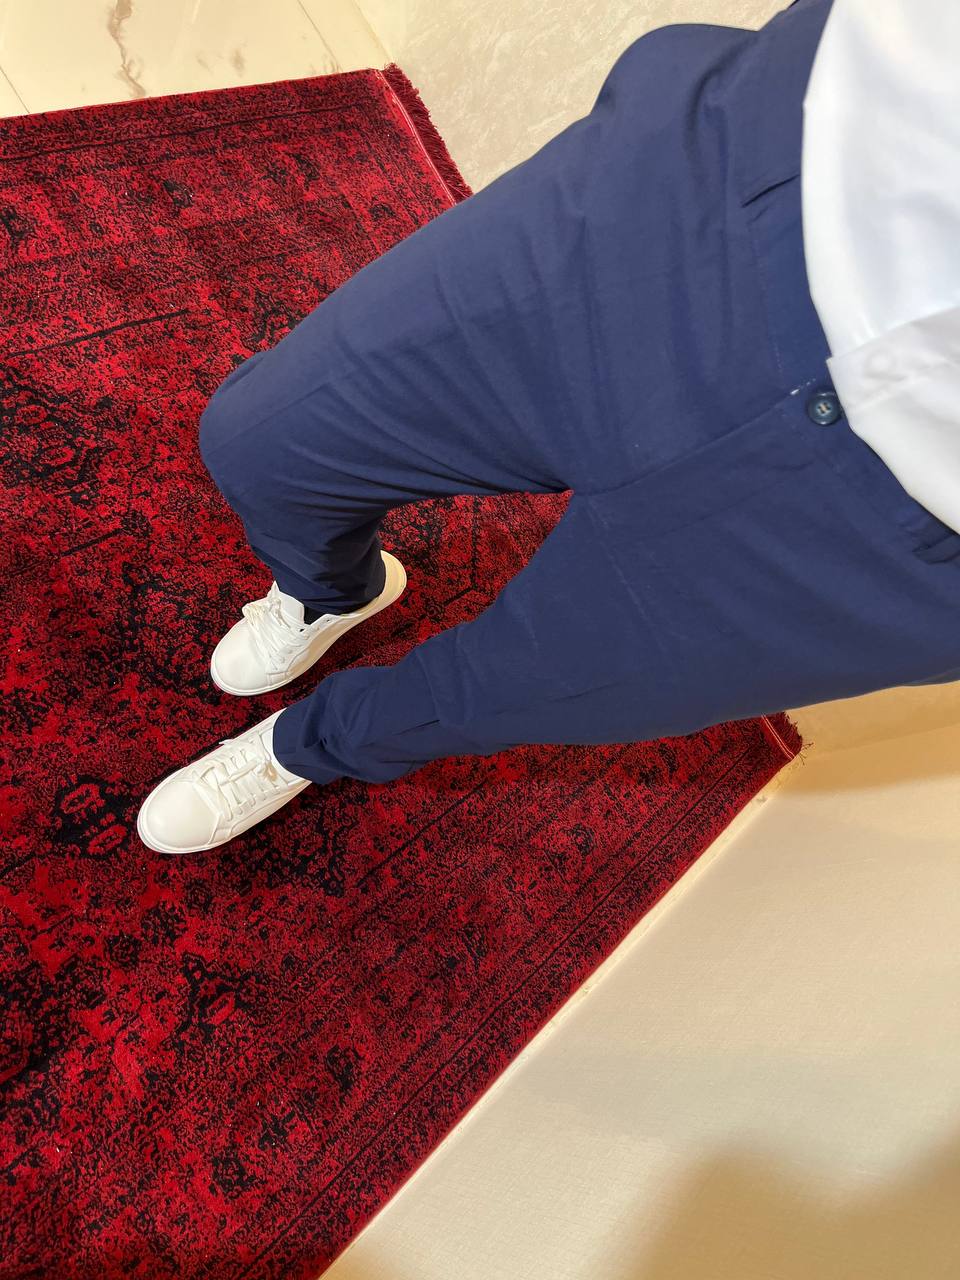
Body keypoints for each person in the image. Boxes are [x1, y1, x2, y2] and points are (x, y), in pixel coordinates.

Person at [137, 0, 960, 855]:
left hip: (903, 548)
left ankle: (309, 745)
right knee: (261, 439)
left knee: (500, 691)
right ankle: (332, 592)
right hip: (764, 181)